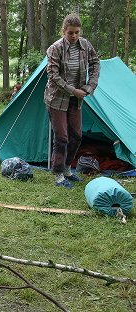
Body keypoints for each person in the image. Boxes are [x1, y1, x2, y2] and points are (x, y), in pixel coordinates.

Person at [44, 13, 100, 188]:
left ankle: (68, 169)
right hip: (57, 98)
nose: (74, 36)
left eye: (77, 32)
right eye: (70, 33)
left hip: (77, 99)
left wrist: (89, 86)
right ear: (64, 31)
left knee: (76, 135)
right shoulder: (55, 48)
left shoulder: (85, 45)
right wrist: (73, 90)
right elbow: (53, 75)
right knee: (62, 137)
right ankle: (58, 174)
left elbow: (95, 64)